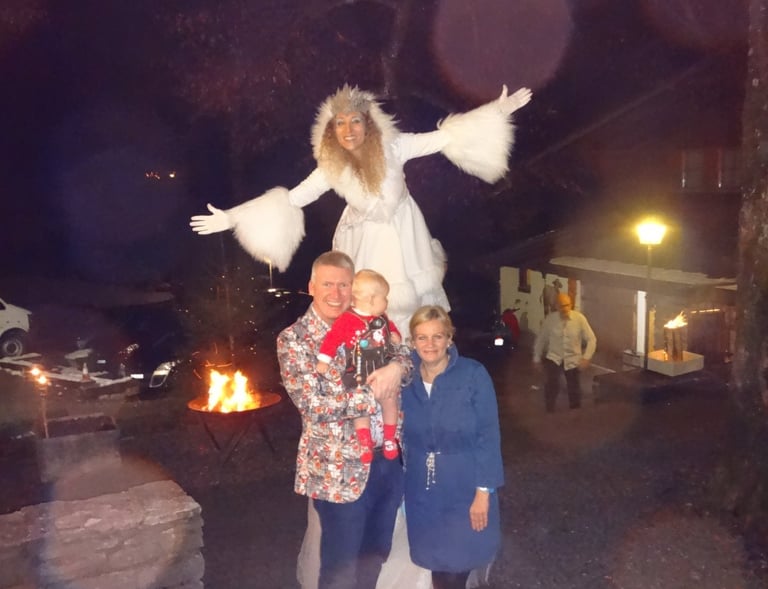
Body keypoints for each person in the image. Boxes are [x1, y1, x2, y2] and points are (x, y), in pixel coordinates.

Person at [190, 83, 532, 333]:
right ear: (330, 131)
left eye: (355, 120)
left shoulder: (395, 147)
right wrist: (232, 218)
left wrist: (498, 110)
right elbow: (293, 198)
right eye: (339, 123)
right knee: (368, 313)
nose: (348, 129)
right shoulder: (331, 169)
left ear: (368, 123)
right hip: (365, 244)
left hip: (405, 239)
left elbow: (444, 138)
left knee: (416, 313)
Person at [277, 251, 411, 589]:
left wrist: (396, 367)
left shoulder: (372, 322)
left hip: (388, 461)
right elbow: (313, 404)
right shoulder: (295, 339)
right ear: (311, 286)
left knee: (376, 554)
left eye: (344, 285)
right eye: (327, 284)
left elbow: (406, 358)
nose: (336, 294)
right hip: (338, 474)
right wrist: (378, 393)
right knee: (340, 568)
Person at [400, 305, 504, 589]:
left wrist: (483, 491)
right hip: (423, 487)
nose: (430, 345)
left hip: (464, 483)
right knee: (437, 562)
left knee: (460, 562)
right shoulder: (405, 378)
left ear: (449, 339)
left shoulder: (473, 375)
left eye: (437, 337)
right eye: (422, 337)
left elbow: (488, 434)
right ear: (413, 341)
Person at [316, 269, 402, 463]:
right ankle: (365, 443)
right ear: (371, 299)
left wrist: (395, 336)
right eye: (384, 298)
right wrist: (324, 360)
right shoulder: (347, 320)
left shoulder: (381, 318)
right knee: (359, 407)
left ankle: (389, 438)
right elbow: (332, 339)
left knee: (390, 402)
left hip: (380, 369)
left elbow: (392, 330)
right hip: (358, 372)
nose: (387, 303)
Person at [533, 292, 597, 412]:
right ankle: (549, 412)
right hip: (554, 358)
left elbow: (591, 339)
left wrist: (586, 357)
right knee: (551, 386)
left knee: (574, 389)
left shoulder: (579, 319)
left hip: (573, 359)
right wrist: (536, 358)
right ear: (557, 306)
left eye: (567, 305)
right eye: (562, 306)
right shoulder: (550, 320)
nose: (565, 309)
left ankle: (575, 414)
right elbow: (541, 339)